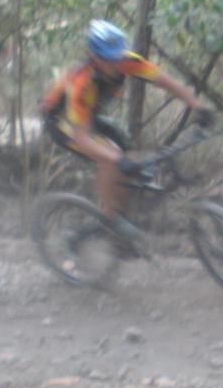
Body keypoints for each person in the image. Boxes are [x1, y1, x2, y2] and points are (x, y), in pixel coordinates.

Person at [41, 19, 212, 247]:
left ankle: (118, 218)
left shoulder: (125, 60)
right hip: (62, 122)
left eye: (117, 57)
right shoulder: (81, 84)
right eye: (109, 59)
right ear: (94, 57)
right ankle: (110, 219)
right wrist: (115, 159)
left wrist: (197, 105)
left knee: (129, 152)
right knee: (111, 157)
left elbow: (167, 82)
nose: (116, 64)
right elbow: (82, 138)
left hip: (88, 117)